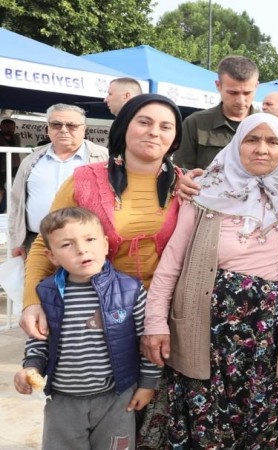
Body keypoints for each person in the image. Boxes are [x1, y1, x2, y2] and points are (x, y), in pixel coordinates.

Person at [17, 93, 184, 449]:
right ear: (123, 127)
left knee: (150, 418)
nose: (154, 132)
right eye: (144, 122)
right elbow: (46, 244)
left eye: (166, 126)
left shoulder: (183, 185)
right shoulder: (85, 180)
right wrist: (32, 300)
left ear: (175, 137)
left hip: (162, 316)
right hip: (96, 311)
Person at [142, 113, 278, 448]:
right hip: (207, 333)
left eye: (272, 141)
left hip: (269, 338)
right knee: (207, 426)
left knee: (262, 423)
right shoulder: (204, 192)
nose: (261, 149)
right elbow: (171, 263)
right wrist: (155, 322)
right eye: (251, 139)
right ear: (236, 144)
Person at [14, 207, 162, 449]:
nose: (82, 250)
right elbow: (38, 341)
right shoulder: (47, 293)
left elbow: (146, 342)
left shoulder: (130, 290)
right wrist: (30, 368)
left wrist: (147, 384)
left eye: (90, 239)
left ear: (105, 244)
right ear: (52, 256)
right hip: (63, 402)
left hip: (116, 398)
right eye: (67, 245)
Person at [8, 105, 108, 259]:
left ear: (84, 129)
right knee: (35, 276)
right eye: (56, 124)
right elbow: (16, 203)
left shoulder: (104, 159)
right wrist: (17, 241)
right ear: (47, 128)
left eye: (71, 125)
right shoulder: (31, 160)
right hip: (36, 242)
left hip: (87, 245)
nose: (63, 130)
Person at [173, 55, 259, 170]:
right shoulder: (195, 123)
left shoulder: (269, 125)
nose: (240, 101)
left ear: (256, 86)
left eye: (247, 93)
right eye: (233, 93)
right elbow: (182, 173)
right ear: (218, 85)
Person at [1, 118, 22, 213]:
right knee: (1, 189)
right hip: (1, 167)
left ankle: (11, 209)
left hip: (15, 166)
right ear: (1, 127)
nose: (10, 129)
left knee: (15, 188)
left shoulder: (16, 138)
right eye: (7, 127)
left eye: (12, 127)